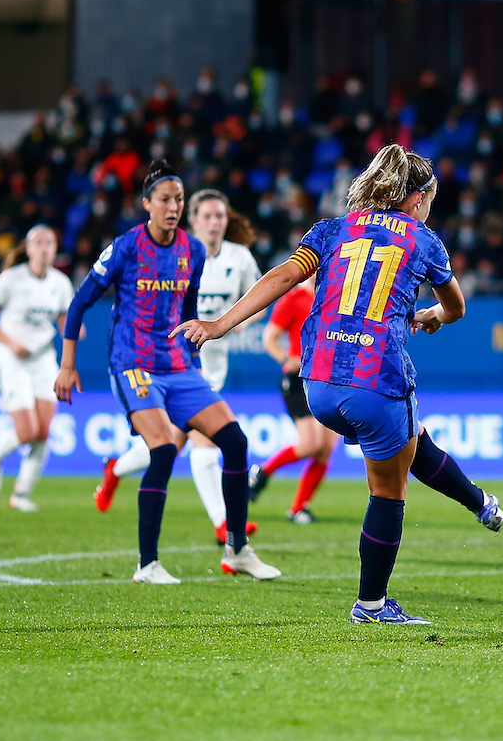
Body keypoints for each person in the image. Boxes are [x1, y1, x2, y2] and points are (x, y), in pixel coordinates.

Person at [174, 144, 503, 625]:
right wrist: (432, 316)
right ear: (416, 199)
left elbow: (286, 274)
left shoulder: (332, 229)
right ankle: (371, 605)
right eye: (430, 197)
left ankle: (480, 503)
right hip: (376, 379)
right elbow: (456, 308)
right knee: (389, 491)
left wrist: (220, 324)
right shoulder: (424, 239)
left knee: (411, 442)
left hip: (319, 382)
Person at [56, 159, 279, 585]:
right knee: (162, 451)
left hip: (178, 366)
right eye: (165, 199)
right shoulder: (125, 247)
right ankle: (148, 564)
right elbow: (80, 301)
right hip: (133, 365)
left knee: (234, 441)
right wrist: (67, 365)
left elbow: (189, 312)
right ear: (147, 204)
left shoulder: (191, 251)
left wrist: (193, 362)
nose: (173, 206)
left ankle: (236, 550)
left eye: (178, 199)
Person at [93, 191, 263, 547]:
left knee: (169, 443)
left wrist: (232, 322)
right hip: (172, 366)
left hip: (212, 365)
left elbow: (258, 301)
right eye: (208, 216)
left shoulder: (240, 257)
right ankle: (224, 527)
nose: (215, 222)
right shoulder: (177, 256)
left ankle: (114, 470)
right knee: (200, 443)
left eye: (220, 216)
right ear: (193, 220)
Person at [0, 225, 75, 511]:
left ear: (55, 250)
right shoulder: (11, 279)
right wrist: (9, 342)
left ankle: (21, 494)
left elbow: (61, 321)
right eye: (39, 243)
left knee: (43, 431)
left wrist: (72, 330)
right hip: (12, 359)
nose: (45, 248)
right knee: (27, 429)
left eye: (50, 243)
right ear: (29, 248)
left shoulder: (60, 282)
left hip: (43, 359)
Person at [248, 274, 341, 524]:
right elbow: (270, 338)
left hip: (328, 378)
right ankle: (263, 471)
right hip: (299, 379)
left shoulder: (335, 297)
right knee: (310, 444)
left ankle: (299, 508)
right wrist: (286, 359)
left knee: (326, 448)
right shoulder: (294, 298)